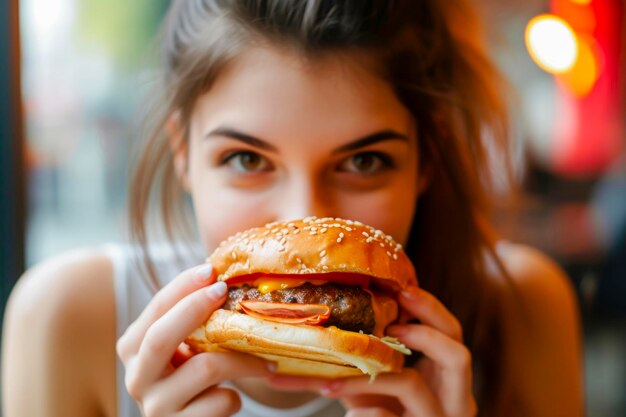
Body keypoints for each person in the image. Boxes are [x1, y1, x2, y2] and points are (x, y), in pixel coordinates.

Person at [2, 1, 584, 416]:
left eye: (363, 162)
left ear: (426, 160)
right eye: (246, 159)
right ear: (184, 153)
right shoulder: (67, 318)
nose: (302, 219)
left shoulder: (523, 311)